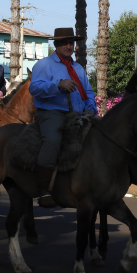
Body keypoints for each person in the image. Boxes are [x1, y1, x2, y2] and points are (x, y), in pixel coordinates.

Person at [29, 28, 97, 208]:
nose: (69, 46)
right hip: (53, 113)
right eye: (65, 42)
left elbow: (88, 92)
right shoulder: (44, 65)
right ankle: (43, 190)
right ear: (56, 45)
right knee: (52, 139)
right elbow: (34, 88)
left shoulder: (78, 68)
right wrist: (58, 84)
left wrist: (90, 108)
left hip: (79, 114)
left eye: (71, 43)